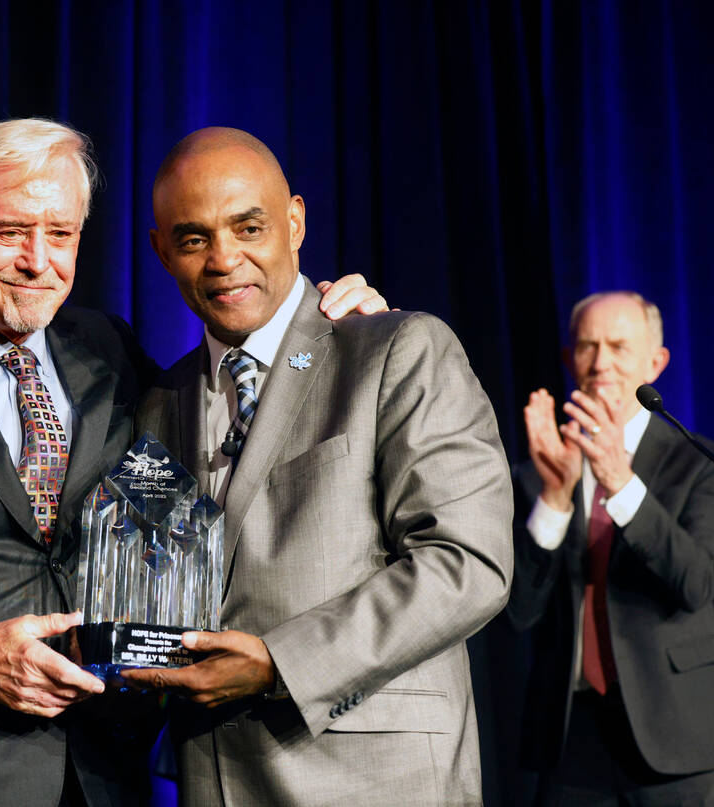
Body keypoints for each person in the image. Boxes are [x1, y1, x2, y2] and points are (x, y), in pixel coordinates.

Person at [0, 117, 383, 807]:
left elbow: (225, 426)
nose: (38, 259)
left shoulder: (107, 348)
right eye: (10, 232)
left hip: (98, 778)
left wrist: (323, 336)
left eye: (60, 234)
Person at [121, 127, 513, 806]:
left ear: (295, 222)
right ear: (161, 251)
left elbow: (467, 562)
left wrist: (279, 662)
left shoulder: (395, 349)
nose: (224, 259)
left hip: (378, 781)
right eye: (193, 239)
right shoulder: (158, 403)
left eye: (249, 226)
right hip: (216, 779)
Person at [508, 291, 714, 805]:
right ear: (569, 359)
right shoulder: (538, 472)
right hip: (570, 740)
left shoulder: (703, 463)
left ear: (655, 363)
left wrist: (621, 482)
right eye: (587, 347)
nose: (601, 363)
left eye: (618, 346)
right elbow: (518, 612)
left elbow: (697, 584)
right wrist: (554, 497)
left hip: (675, 735)